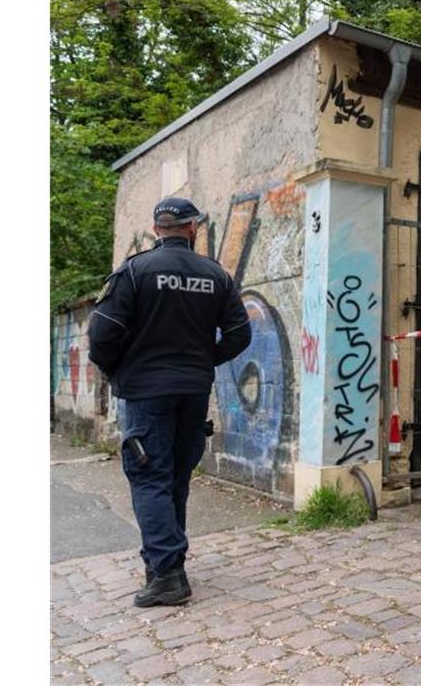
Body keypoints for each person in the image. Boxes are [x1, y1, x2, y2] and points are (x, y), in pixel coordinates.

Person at [88, 197, 251, 607]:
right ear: (193, 228)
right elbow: (239, 334)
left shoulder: (135, 271)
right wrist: (200, 360)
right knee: (174, 477)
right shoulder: (217, 275)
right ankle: (165, 561)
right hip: (193, 390)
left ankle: (167, 576)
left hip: (146, 392)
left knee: (149, 477)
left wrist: (119, 369)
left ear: (156, 228)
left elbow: (102, 335)